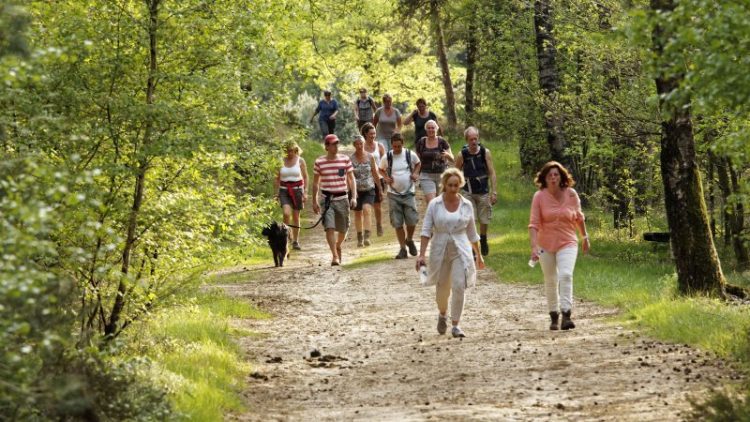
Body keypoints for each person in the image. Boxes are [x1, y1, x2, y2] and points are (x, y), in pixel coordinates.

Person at [416, 168, 485, 338]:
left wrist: (479, 255)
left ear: (460, 185)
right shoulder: (435, 204)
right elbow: (426, 231)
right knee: (442, 291)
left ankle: (456, 325)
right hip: (440, 250)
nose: (453, 189)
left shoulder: (467, 205)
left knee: (459, 285)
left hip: (460, 250)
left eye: (456, 185)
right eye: (450, 185)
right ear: (444, 185)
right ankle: (442, 313)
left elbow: (472, 233)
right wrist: (421, 255)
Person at [528, 161, 590, 331]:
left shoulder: (571, 194)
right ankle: (554, 315)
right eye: (550, 175)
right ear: (545, 178)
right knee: (550, 280)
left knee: (566, 275)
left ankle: (566, 314)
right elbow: (533, 224)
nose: (553, 178)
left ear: (561, 176)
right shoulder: (539, 196)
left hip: (568, 242)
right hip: (545, 244)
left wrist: (585, 237)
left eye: (556, 174)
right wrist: (534, 247)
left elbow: (579, 217)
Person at [312, 134, 358, 266]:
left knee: (343, 229)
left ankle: (338, 244)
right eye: (333, 144)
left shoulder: (345, 160)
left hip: (342, 198)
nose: (336, 146)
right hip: (327, 200)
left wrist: (353, 196)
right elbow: (316, 183)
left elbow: (351, 179)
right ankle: (334, 256)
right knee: (329, 227)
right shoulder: (319, 162)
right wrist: (314, 201)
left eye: (337, 143)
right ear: (327, 147)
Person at [454, 126, 497, 256]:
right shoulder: (462, 155)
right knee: (469, 218)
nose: (474, 142)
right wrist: (454, 191)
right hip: (468, 191)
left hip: (483, 190)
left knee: (484, 219)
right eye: (471, 139)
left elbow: (492, 172)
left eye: (475, 139)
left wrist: (494, 192)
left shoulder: (485, 152)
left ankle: (483, 239)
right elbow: (455, 173)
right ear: (466, 140)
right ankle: (473, 246)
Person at [380, 132, 421, 259]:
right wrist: (386, 178)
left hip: (409, 192)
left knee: (412, 220)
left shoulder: (409, 154)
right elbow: (380, 169)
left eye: (399, 146)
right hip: (393, 194)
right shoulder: (387, 157)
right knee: (397, 223)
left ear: (402, 144)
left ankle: (409, 239)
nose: (397, 148)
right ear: (391, 145)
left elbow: (418, 163)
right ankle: (403, 249)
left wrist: (415, 174)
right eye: (394, 146)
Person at [274, 139, 308, 250]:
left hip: (297, 190)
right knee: (286, 213)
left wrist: (305, 192)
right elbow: (277, 178)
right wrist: (276, 193)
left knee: (296, 216)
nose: (289, 153)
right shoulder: (280, 161)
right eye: (287, 151)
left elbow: (306, 177)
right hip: (284, 190)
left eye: (291, 151)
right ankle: (287, 237)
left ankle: (295, 241)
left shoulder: (300, 161)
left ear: (295, 150)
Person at [350, 134, 381, 247]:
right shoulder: (350, 159)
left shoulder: (370, 156)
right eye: (357, 144)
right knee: (358, 213)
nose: (359, 146)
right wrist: (351, 191)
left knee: (366, 209)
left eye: (361, 143)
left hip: (369, 188)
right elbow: (349, 176)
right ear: (354, 145)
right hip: (356, 190)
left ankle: (367, 236)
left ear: (364, 144)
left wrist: (380, 189)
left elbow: (375, 173)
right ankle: (360, 238)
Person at [415, 119, 453, 205]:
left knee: (441, 202)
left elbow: (452, 159)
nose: (431, 130)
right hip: (426, 175)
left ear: (437, 129)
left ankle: (438, 218)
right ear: (426, 130)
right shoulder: (421, 142)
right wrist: (415, 172)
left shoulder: (442, 142)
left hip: (442, 176)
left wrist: (447, 155)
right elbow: (416, 160)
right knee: (432, 202)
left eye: (433, 128)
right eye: (428, 128)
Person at [361, 122, 386, 237]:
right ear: (365, 134)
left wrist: (386, 176)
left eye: (374, 133)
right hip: (366, 178)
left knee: (377, 205)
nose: (373, 136)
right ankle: (367, 228)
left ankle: (379, 225)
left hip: (378, 178)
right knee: (366, 205)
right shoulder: (361, 147)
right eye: (370, 134)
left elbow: (385, 162)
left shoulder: (379, 146)